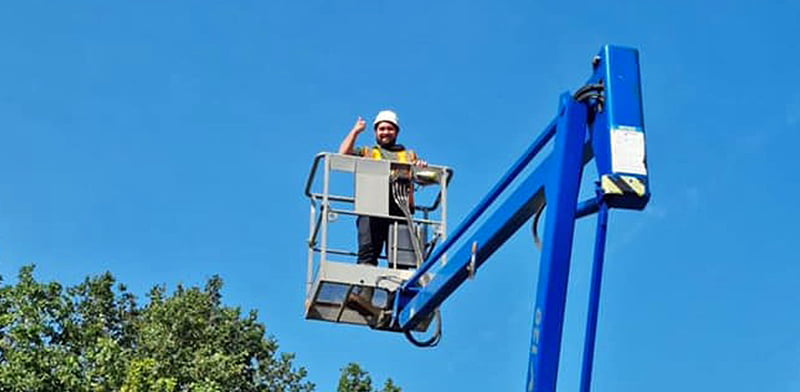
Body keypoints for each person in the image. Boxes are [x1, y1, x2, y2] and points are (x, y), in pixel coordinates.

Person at [338, 110, 426, 324]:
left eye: (389, 128)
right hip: (372, 208)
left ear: (396, 131)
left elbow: (424, 178)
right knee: (368, 253)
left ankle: (392, 302)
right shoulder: (368, 152)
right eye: (381, 128)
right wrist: (356, 131)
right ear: (376, 132)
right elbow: (343, 154)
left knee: (401, 260)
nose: (385, 132)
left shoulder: (409, 156)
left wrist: (422, 169)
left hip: (400, 210)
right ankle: (365, 296)